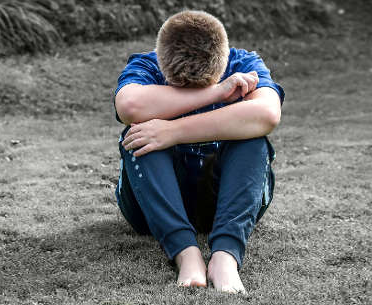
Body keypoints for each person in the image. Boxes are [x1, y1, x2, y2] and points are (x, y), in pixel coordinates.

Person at [113, 10, 284, 293]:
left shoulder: (244, 62)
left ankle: (225, 256)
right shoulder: (146, 65)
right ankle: (186, 253)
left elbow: (267, 114)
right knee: (139, 134)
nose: (190, 93)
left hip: (224, 199)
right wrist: (217, 92)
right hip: (150, 209)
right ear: (161, 62)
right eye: (180, 88)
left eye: (201, 86)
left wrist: (173, 131)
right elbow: (129, 107)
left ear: (224, 62)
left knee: (253, 137)